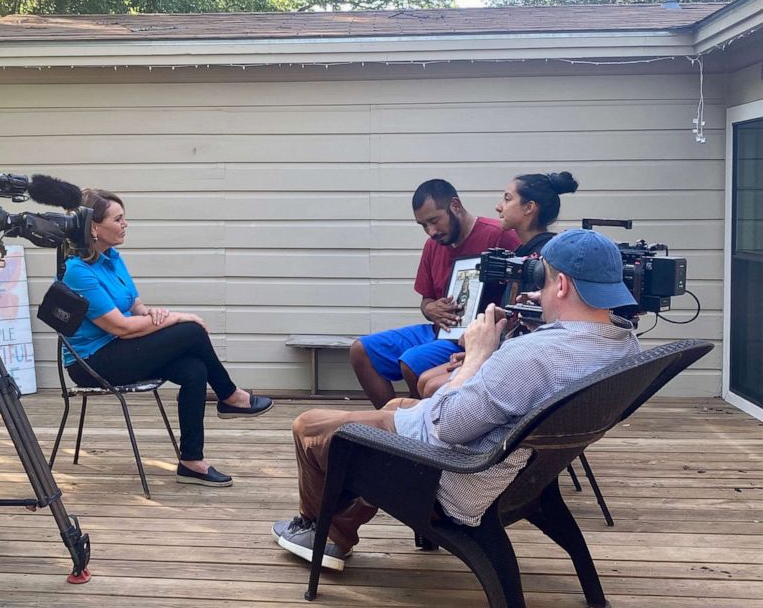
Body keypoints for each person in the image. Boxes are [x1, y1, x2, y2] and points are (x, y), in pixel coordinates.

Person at [272, 228, 640, 571]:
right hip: (515, 471)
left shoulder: (533, 356)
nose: (537, 288)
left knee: (310, 427)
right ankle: (336, 532)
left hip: (453, 474)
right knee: (393, 406)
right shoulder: (624, 347)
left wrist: (479, 354)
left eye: (540, 278)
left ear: (560, 284)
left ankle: (315, 528)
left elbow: (447, 426)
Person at [61, 188, 273, 487]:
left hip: (121, 349)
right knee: (191, 330)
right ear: (93, 227)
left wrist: (155, 313)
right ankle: (229, 396)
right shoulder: (77, 271)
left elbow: (135, 307)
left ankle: (191, 462)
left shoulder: (112, 257)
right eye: (118, 219)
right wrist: (176, 318)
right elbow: (119, 327)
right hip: (93, 363)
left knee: (194, 369)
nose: (125, 224)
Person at [349, 179, 520, 408]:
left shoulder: (498, 236)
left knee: (411, 362)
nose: (431, 232)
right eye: (423, 226)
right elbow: (426, 300)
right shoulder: (432, 246)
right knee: (361, 351)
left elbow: (521, 294)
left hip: (474, 338)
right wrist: (430, 309)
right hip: (438, 331)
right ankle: (394, 427)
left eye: (434, 221)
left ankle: (415, 430)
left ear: (455, 206)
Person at [416, 171, 580, 398]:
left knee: (431, 386)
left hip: (528, 362)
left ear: (528, 208)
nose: (498, 206)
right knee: (425, 381)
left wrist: (483, 353)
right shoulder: (522, 253)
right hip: (509, 350)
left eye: (507, 198)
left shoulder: (544, 257)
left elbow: (535, 327)